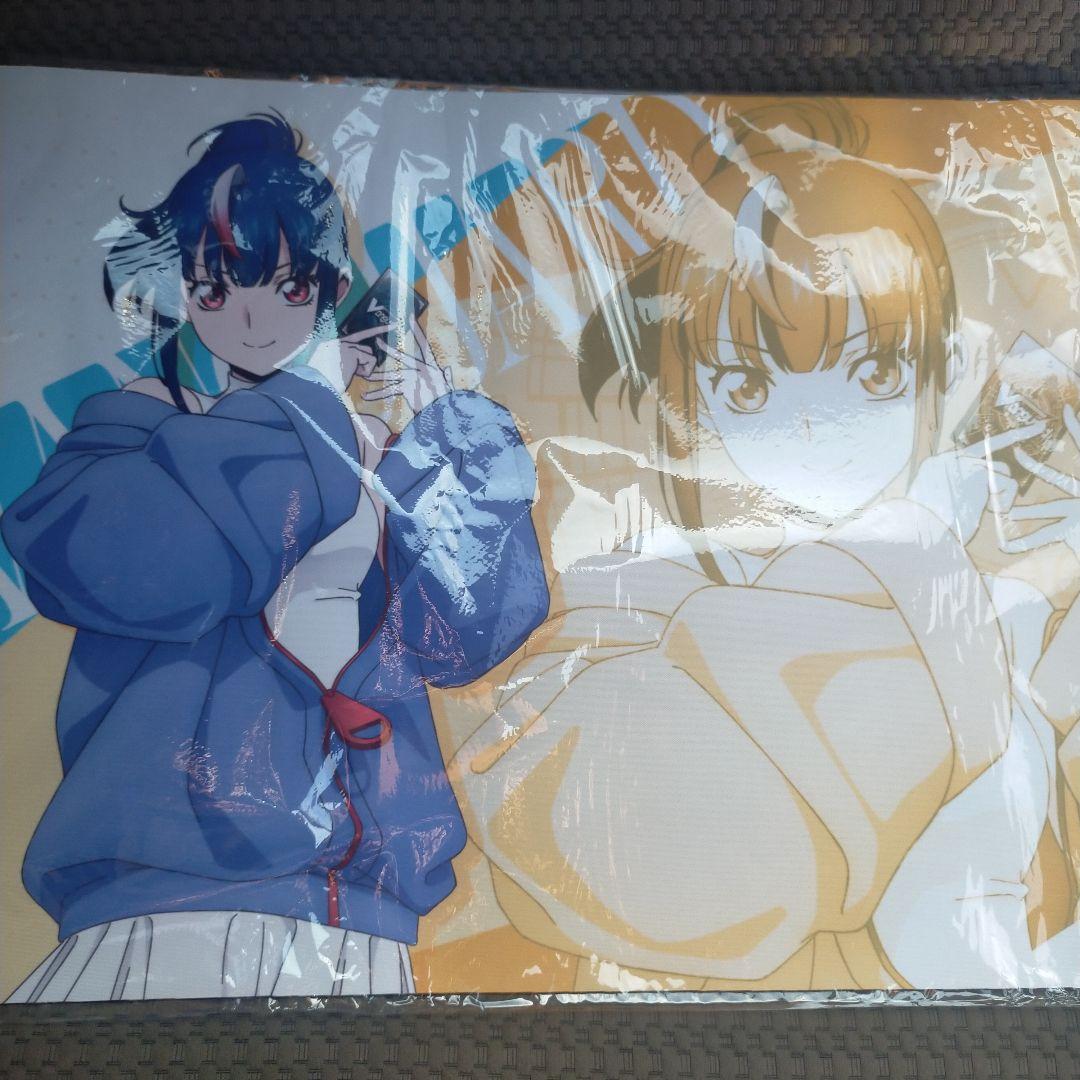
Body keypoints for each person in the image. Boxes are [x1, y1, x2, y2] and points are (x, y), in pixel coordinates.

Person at [451, 99, 1080, 990]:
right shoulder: (631, 591)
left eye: (876, 372)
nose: (815, 425)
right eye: (748, 385)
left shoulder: (954, 560)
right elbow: (577, 830)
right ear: (686, 393)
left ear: (940, 372)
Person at [2, 112, 549, 1001]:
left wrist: (449, 440)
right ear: (182, 290)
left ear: (330, 287)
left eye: (290, 286)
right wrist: (314, 403)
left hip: (355, 910)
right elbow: (156, 566)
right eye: (215, 288)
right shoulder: (133, 437)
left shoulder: (372, 446)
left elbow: (465, 638)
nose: (253, 318)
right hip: (170, 895)